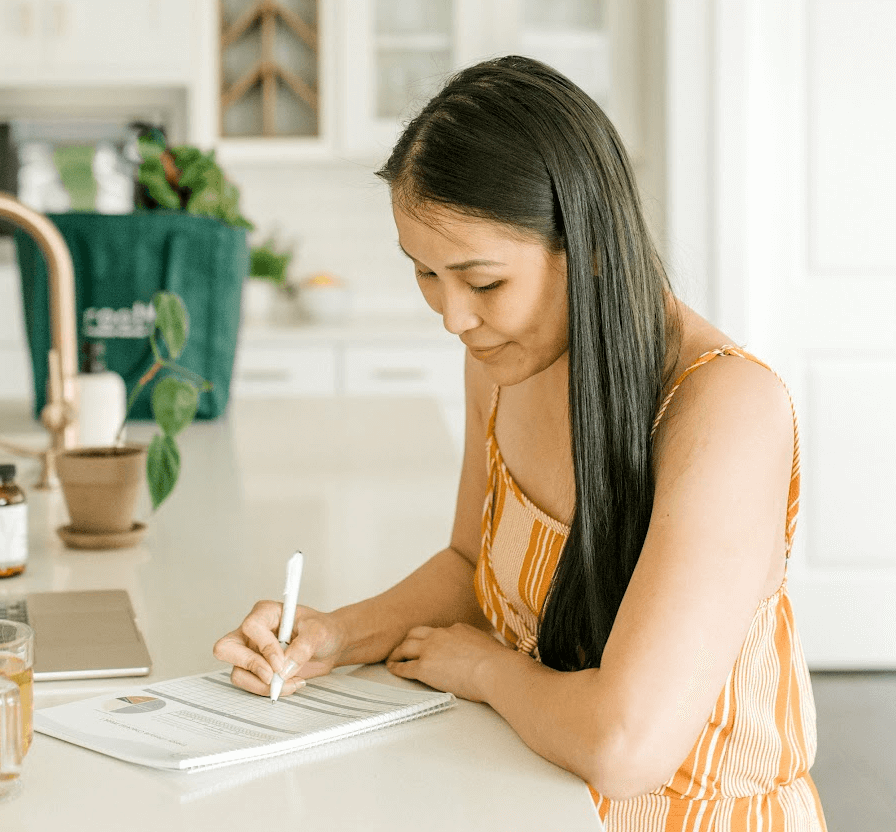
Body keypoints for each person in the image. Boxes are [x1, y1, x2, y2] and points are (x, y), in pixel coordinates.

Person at [213, 56, 825, 830]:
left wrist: (483, 669)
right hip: (528, 789)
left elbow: (624, 747)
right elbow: (473, 566)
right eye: (425, 274)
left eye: (482, 281)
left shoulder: (724, 406)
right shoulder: (502, 359)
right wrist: (334, 635)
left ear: (589, 245)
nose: (452, 317)